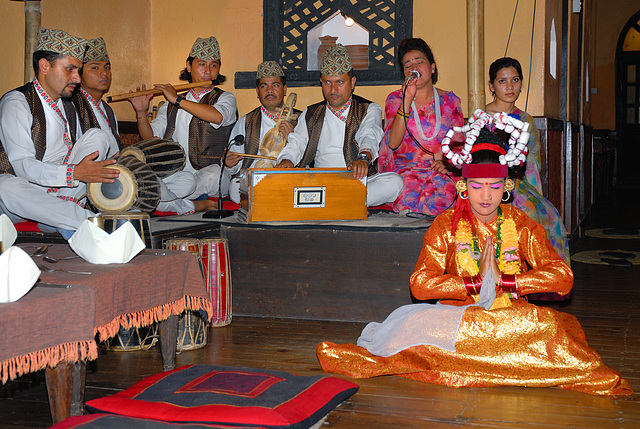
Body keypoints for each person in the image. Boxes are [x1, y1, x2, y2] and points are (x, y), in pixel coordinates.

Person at [316, 118, 632, 396]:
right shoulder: (445, 224)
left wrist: (508, 282)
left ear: (507, 186)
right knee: (410, 323)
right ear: (463, 186)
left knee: (551, 325)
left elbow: (563, 278)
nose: (485, 197)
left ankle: (468, 360)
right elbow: (420, 285)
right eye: (477, 187)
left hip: (508, 319)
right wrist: (473, 284)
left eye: (494, 187)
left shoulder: (519, 223)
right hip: (455, 320)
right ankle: (501, 362)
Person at [0, 28, 118, 238]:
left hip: (65, 192)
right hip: (27, 193)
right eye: (70, 70)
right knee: (5, 186)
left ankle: (56, 215)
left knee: (99, 136)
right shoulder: (17, 102)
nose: (77, 79)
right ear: (45, 66)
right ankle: (84, 220)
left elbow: (83, 160)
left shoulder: (69, 105)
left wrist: (95, 168)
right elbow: (22, 165)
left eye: (78, 71)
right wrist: (73, 173)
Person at [275, 44, 402, 207]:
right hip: (318, 182)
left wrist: (363, 158)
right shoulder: (311, 113)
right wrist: (287, 159)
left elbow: (369, 136)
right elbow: (297, 143)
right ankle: (340, 203)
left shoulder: (368, 109)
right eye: (327, 82)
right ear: (321, 82)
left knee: (394, 182)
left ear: (353, 82)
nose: (333, 89)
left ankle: (326, 203)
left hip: (355, 182)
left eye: (339, 82)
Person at [129, 36, 237, 214]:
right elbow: (149, 138)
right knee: (183, 182)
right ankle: (189, 205)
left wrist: (177, 99)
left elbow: (217, 117)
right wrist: (141, 114)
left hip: (211, 175)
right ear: (189, 66)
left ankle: (162, 200)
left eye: (214, 65)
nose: (208, 71)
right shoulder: (171, 105)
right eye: (202, 64)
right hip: (177, 175)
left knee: (214, 176)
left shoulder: (225, 98)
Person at [485, 57, 570, 264]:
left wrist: (536, 197)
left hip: (519, 184)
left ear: (521, 84)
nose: (510, 86)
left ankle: (548, 277)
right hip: (489, 183)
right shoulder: (484, 117)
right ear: (492, 86)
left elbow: (533, 164)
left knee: (549, 217)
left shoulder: (526, 120)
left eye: (515, 80)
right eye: (502, 81)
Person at [378, 38, 464, 216]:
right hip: (406, 172)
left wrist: (447, 164)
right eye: (408, 65)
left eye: (419, 62)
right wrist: (406, 100)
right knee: (407, 191)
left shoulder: (450, 101)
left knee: (450, 192)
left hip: (441, 171)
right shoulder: (396, 99)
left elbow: (459, 146)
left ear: (432, 67)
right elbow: (393, 143)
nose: (414, 68)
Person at [224, 61, 301, 203]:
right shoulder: (246, 121)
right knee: (235, 188)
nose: (269, 90)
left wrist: (292, 136)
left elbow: (307, 155)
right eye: (264, 86)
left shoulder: (300, 119)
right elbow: (235, 165)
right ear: (257, 92)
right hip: (253, 179)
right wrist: (230, 164)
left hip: (286, 177)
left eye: (275, 85)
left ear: (285, 89)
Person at [63, 37, 123, 158]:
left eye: (107, 67)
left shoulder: (108, 110)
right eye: (95, 68)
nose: (104, 73)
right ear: (79, 73)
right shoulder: (70, 105)